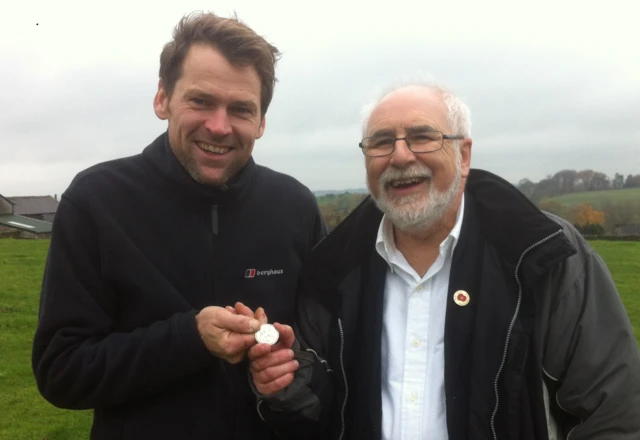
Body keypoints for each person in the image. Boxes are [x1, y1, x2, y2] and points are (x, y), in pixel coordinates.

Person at [247, 78, 640, 439]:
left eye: (422, 136)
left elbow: (611, 411)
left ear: (463, 154)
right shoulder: (331, 269)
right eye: (382, 141)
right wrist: (292, 382)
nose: (400, 155)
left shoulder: (543, 255)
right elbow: (321, 408)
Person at [31, 12, 325, 440]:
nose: (219, 126)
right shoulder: (96, 201)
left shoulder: (294, 205)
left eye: (241, 109)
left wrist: (290, 363)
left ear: (261, 122)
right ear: (162, 99)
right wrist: (189, 339)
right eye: (201, 101)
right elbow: (62, 372)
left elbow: (328, 352)